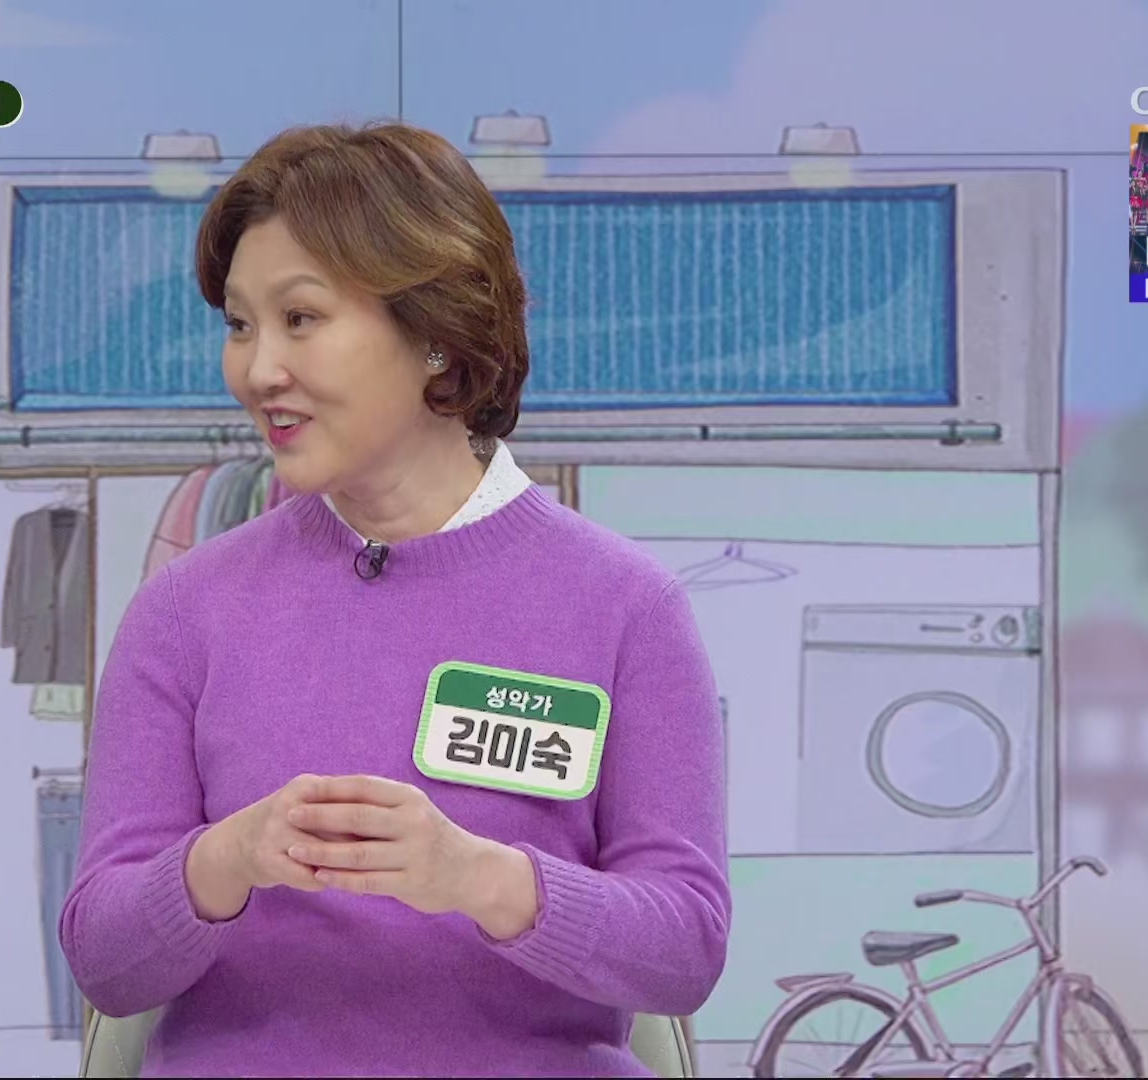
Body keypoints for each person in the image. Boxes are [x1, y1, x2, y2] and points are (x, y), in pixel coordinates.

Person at [60, 122, 730, 1077]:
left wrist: (480, 878)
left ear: (436, 337)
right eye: (241, 326)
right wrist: (226, 859)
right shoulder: (185, 610)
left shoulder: (627, 608)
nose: (258, 370)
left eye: (301, 318)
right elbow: (104, 960)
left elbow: (685, 949)